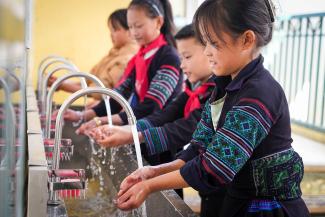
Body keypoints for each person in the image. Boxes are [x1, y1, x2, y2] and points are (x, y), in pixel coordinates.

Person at [115, 1, 310, 217]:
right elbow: (199, 148)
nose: (207, 52)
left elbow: (214, 167)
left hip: (267, 210)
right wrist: (153, 172)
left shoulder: (260, 94)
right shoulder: (223, 86)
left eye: (214, 43)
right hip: (238, 202)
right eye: (205, 43)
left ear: (246, 40)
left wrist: (150, 186)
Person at [90, 25, 231, 205]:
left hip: (228, 193)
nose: (182, 65)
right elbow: (165, 116)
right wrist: (126, 132)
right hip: (205, 184)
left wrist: (130, 135)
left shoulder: (223, 93)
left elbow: (183, 129)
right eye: (131, 25)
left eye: (187, 57)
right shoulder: (195, 88)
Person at [63, 0, 183, 131]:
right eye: (130, 27)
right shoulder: (141, 57)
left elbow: (151, 106)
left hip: (160, 138)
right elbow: (118, 97)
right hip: (139, 132)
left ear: (158, 22)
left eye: (138, 26)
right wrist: (81, 115)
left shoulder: (169, 58)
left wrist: (101, 121)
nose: (134, 32)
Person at [48, 9, 138, 102]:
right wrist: (62, 83)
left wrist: (62, 85)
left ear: (130, 30)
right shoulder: (114, 54)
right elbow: (90, 82)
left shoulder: (127, 58)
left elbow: (103, 91)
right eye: (110, 30)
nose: (111, 34)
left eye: (114, 30)